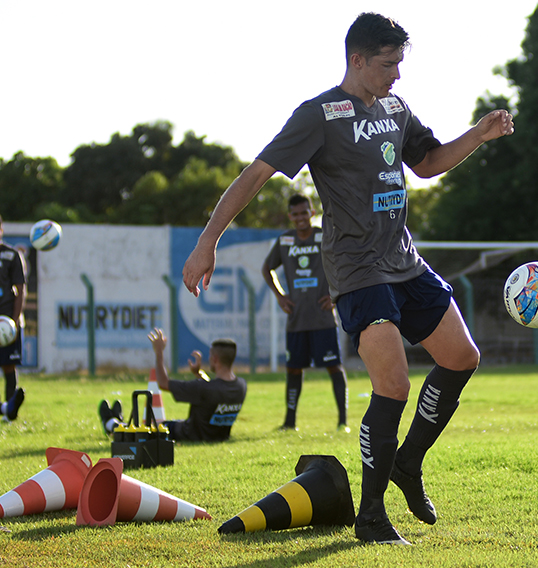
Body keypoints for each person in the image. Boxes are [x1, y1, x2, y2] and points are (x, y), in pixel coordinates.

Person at [182, 12, 514, 545]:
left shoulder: (396, 108)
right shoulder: (319, 115)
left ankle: (408, 463)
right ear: (356, 59)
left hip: (404, 261)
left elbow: (426, 163)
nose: (397, 76)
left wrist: (478, 134)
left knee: (462, 357)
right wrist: (207, 241)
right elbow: (256, 174)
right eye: (388, 64)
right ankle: (372, 516)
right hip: (357, 270)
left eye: (400, 64)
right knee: (394, 384)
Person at [261, 193, 349, 432]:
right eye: (295, 214)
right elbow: (267, 269)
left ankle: (343, 421)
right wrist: (280, 296)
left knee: (334, 366)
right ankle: (290, 422)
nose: (300, 218)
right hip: (297, 318)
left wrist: (335, 294)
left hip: (322, 318)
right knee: (293, 368)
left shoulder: (324, 236)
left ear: (312, 212)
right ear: (290, 216)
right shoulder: (285, 241)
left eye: (304, 212)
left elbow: (344, 262)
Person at [99, 329, 247, 442]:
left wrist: (159, 353)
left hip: (184, 434)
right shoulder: (241, 386)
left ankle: (111, 423)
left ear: (214, 359)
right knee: (151, 425)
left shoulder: (202, 389)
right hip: (216, 435)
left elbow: (163, 383)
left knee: (141, 432)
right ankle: (118, 420)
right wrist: (199, 374)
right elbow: (214, 391)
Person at [0, 214, 26, 421]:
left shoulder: (11, 255)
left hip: (7, 322)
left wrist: (15, 321)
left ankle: (9, 413)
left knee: (9, 365)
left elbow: (20, 289)